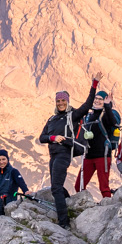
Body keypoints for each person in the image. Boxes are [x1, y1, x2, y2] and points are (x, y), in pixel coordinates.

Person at [70, 76, 122, 198]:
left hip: (102, 155)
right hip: (88, 155)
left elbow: (113, 122)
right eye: (96, 98)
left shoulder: (106, 114)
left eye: (100, 99)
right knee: (79, 185)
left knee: (104, 187)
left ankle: (108, 208)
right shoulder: (89, 114)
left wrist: (108, 106)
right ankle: (84, 206)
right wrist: (94, 85)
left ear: (105, 100)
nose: (97, 101)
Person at [37, 91, 80, 226]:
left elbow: (86, 106)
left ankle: (64, 222)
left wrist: (94, 84)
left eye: (63, 100)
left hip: (63, 154)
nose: (61, 103)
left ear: (68, 101)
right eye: (58, 101)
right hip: (53, 155)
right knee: (57, 186)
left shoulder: (72, 116)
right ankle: (68, 204)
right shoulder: (52, 119)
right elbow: (42, 138)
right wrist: (53, 138)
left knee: (56, 188)